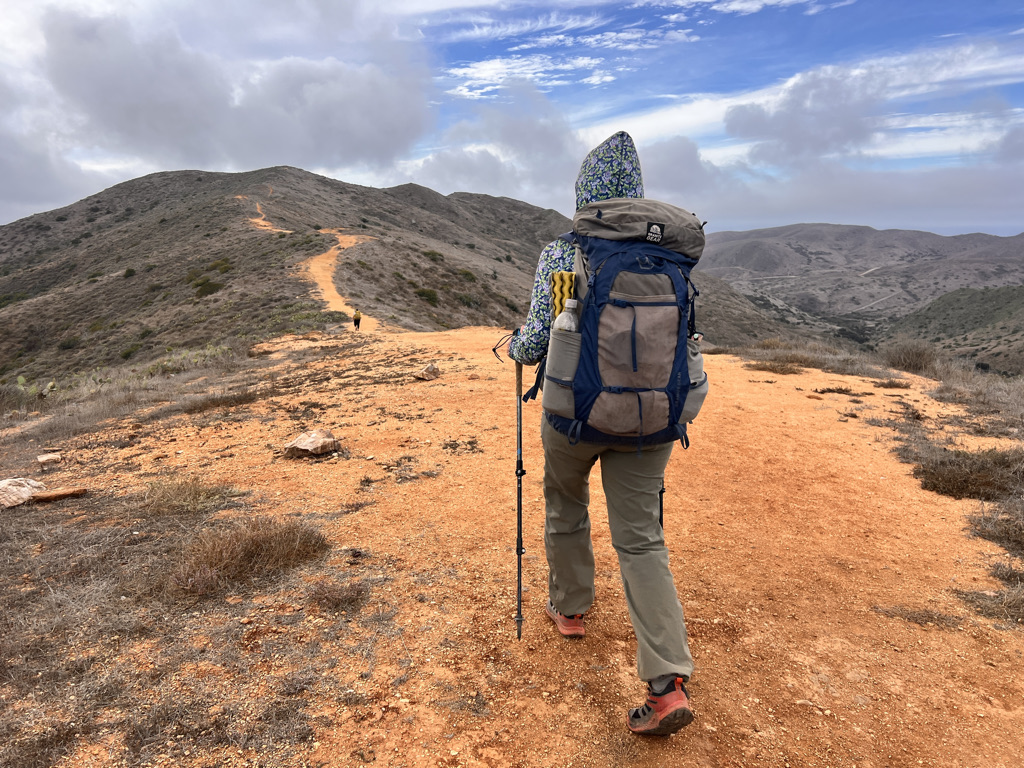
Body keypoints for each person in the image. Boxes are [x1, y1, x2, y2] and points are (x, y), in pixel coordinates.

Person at [507, 131, 696, 736]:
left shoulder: (563, 253)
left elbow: (537, 339)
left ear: (585, 190)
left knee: (565, 502)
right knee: (641, 540)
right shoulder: (671, 256)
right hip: (651, 419)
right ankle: (667, 685)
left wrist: (513, 347)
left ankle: (570, 609)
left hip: (573, 414)